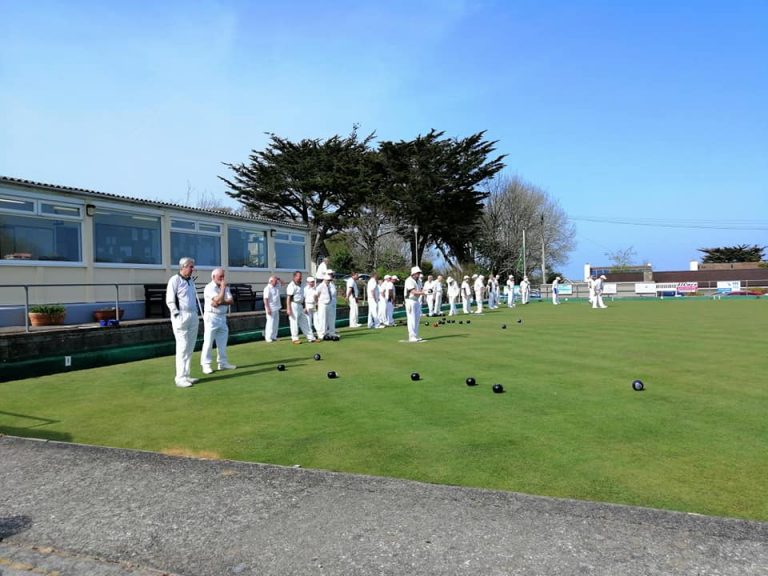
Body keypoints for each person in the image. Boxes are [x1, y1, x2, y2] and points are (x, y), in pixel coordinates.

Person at [166, 257, 200, 388]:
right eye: (191, 267)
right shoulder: (174, 280)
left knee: (190, 346)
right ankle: (179, 377)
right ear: (183, 267)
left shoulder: (191, 280)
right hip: (181, 316)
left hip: (192, 315)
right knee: (183, 346)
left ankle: (186, 375)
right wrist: (176, 314)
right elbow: (170, 300)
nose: (193, 269)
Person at [201, 267, 237, 374]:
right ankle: (206, 365)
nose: (222, 279)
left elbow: (230, 301)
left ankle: (222, 363)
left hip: (222, 316)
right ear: (213, 277)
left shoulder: (226, 287)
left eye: (223, 276)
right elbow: (217, 299)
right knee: (208, 342)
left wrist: (220, 301)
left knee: (222, 341)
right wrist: (222, 290)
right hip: (211, 317)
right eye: (220, 276)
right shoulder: (209, 287)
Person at [286, 271, 316, 344]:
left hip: (300, 305)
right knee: (294, 322)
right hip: (293, 304)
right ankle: (295, 338)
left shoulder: (302, 284)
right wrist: (288, 308)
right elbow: (288, 298)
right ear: (295, 277)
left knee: (304, 321)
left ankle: (310, 337)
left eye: (301, 276)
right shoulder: (291, 285)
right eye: (299, 276)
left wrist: (304, 306)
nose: (300, 278)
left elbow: (304, 296)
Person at [404, 266, 425, 342]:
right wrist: (423, 293)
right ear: (413, 273)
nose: (419, 274)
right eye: (417, 273)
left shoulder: (419, 281)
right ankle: (411, 336)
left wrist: (427, 291)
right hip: (410, 301)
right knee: (411, 318)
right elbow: (413, 291)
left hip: (417, 301)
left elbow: (421, 289)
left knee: (417, 319)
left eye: (419, 273)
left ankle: (415, 335)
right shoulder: (408, 280)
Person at [263, 275, 281, 342]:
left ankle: (274, 336)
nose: (276, 282)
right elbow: (265, 299)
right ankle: (268, 337)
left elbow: (282, 283)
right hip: (271, 308)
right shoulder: (267, 288)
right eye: (275, 281)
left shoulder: (276, 286)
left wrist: (278, 278)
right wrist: (268, 309)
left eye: (276, 281)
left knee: (276, 323)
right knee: (270, 323)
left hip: (277, 307)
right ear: (271, 281)